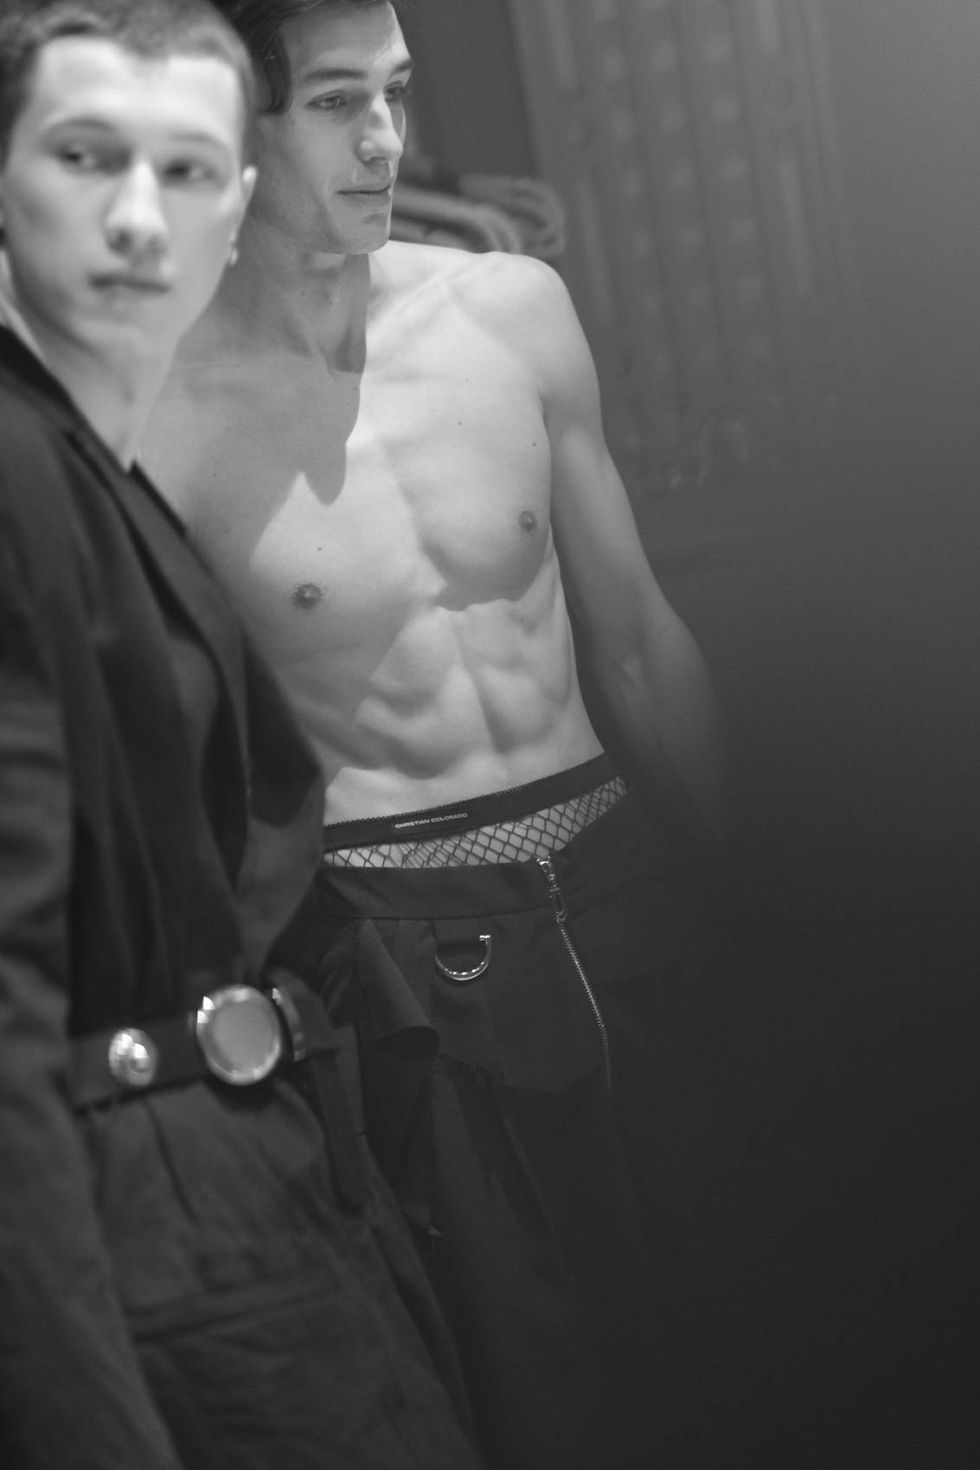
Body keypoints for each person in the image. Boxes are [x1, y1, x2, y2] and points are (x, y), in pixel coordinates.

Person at [142, 2, 727, 1465]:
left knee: (762, 1339)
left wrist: (760, 895)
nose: (388, 139)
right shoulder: (158, 418)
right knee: (535, 1396)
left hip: (627, 894)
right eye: (338, 102)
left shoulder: (509, 309)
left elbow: (640, 642)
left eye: (397, 91)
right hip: (401, 949)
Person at [0, 3, 482, 1467]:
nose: (148, 215)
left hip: (262, 1158)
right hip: (153, 1206)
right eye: (91, 157)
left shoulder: (74, 429)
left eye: (192, 166)